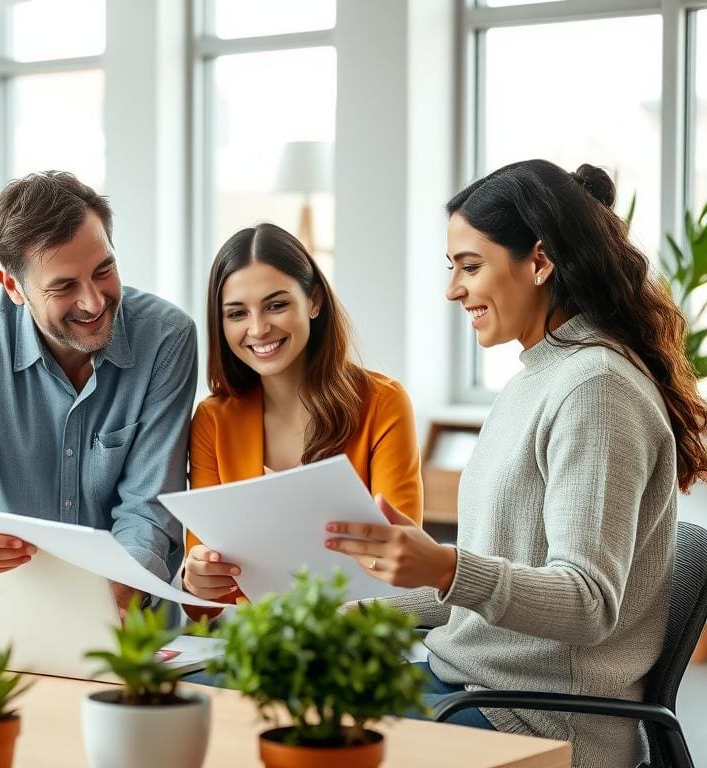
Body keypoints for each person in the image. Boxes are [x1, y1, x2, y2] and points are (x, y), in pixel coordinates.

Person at [325, 160, 707, 767]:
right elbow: (492, 592)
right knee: (254, 692)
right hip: (472, 688)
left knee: (282, 722)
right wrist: (347, 615)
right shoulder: (540, 376)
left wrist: (446, 566)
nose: (453, 290)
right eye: (451, 267)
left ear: (539, 261)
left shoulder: (595, 389)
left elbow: (587, 602)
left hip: (539, 721)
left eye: (470, 266)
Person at [0, 171, 198, 615]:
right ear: (13, 287)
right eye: (64, 286)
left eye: (104, 270)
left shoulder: (167, 338)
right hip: (5, 614)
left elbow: (147, 510)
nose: (94, 302)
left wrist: (108, 606)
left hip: (130, 619)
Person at [182, 222, 423, 615]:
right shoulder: (212, 420)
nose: (258, 328)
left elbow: (403, 568)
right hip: (255, 637)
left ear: (314, 301)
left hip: (358, 632)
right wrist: (197, 580)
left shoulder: (383, 404)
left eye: (276, 305)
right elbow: (206, 606)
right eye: (237, 313)